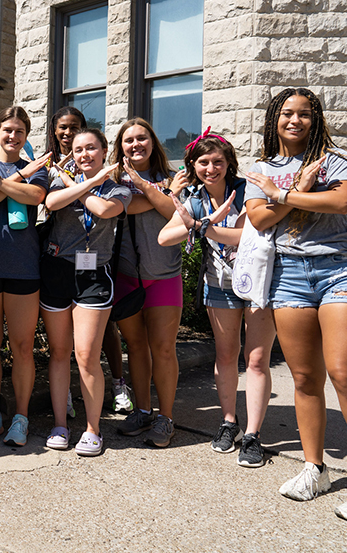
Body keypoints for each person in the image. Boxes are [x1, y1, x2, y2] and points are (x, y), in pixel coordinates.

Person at [244, 88, 347, 524]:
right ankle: (315, 468)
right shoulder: (260, 168)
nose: (296, 120)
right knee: (305, 377)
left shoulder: (333, 158)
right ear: (275, 118)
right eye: (287, 113)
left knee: (346, 375)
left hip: (341, 271)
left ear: (316, 119)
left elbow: (341, 201)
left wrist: (283, 194)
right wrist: (288, 191)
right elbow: (257, 219)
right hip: (290, 275)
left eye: (305, 114)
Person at [158, 128, 277, 468]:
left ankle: (253, 435)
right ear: (193, 165)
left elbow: (252, 231)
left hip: (257, 284)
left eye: (218, 162)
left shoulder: (247, 191)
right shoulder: (194, 199)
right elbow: (166, 237)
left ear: (230, 164)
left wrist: (204, 227)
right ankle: (229, 422)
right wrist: (204, 222)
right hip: (219, 285)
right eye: (204, 162)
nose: (211, 169)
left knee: (256, 360)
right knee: (226, 356)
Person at [41, 128, 130, 456]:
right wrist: (81, 184)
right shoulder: (58, 182)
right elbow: (51, 202)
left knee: (87, 356)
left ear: (104, 151)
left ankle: (93, 429)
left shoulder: (119, 188)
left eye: (91, 148)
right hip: (57, 270)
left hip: (94, 274)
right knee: (59, 352)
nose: (84, 155)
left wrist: (78, 185)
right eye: (78, 150)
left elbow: (105, 210)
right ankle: (60, 425)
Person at [0, 106, 51, 446]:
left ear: (26, 135)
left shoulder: (36, 169)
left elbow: (37, 195)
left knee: (23, 347)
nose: (12, 136)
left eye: (19, 131)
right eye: (7, 130)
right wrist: (15, 178)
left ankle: (21, 417)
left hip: (23, 268)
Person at [110, 118, 188, 447]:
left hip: (164, 278)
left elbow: (172, 210)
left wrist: (147, 186)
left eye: (142, 138)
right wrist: (161, 194)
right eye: (129, 140)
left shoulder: (171, 179)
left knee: (164, 349)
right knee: (136, 348)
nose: (136, 145)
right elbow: (129, 207)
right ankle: (142, 410)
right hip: (127, 277)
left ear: (153, 143)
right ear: (120, 147)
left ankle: (165, 418)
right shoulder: (113, 180)